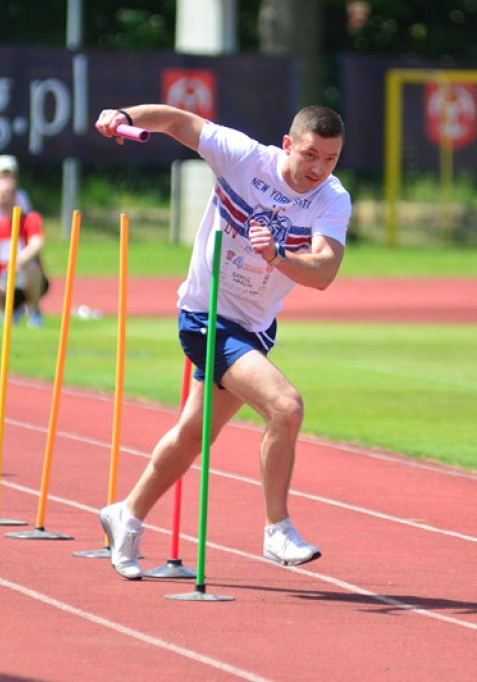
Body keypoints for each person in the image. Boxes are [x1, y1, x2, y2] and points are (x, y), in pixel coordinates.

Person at [93, 103, 351, 579]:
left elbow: (324, 273)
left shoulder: (332, 198)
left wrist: (277, 257)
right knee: (286, 406)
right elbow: (177, 122)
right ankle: (277, 530)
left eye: (330, 159)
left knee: (194, 435)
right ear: (288, 145)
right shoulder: (244, 157)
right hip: (205, 316)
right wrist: (125, 114)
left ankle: (125, 514)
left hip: (256, 328)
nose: (318, 168)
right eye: (310, 154)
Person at [0, 176, 47, 328]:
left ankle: (34, 313)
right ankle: (11, 308)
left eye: (6, 193)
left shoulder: (30, 219)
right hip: (3, 281)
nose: (2, 197)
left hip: (26, 276)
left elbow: (37, 243)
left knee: (31, 268)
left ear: (14, 196)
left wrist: (18, 261)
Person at [0, 154, 33, 224]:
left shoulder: (21, 195)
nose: (5, 177)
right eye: (2, 174)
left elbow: (27, 219)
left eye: (8, 174)